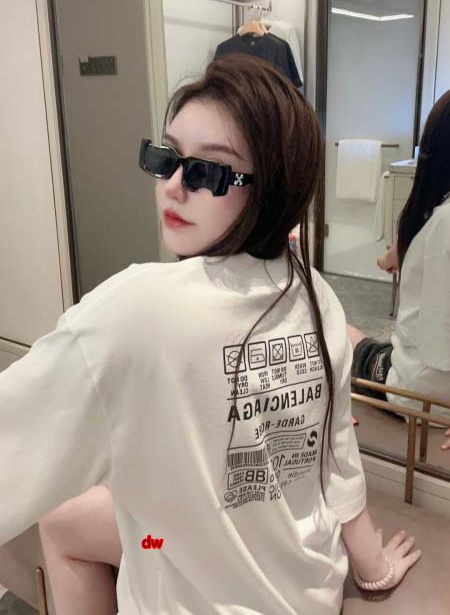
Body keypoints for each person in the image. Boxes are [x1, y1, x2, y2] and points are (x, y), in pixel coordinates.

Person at [1, 55, 421, 615]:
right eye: (167, 159)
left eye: (209, 172)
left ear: (271, 189)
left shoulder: (133, 313)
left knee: (66, 523)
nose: (175, 186)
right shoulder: (315, 292)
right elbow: (337, 460)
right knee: (92, 523)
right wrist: (373, 568)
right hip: (297, 585)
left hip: (192, 567)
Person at [348, 90, 450, 421]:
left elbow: (438, 361)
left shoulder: (444, 225)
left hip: (417, 393)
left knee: (338, 331)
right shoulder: (438, 224)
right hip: (424, 375)